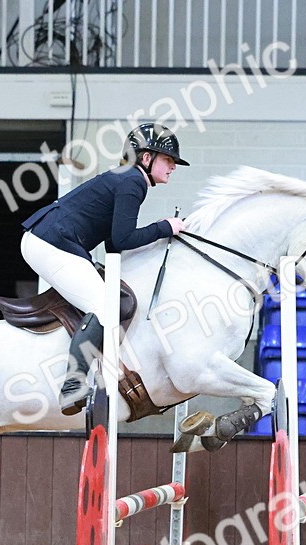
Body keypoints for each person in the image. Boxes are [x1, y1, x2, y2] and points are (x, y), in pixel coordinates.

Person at [21, 122, 189, 415]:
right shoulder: (132, 182)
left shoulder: (126, 179)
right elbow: (124, 238)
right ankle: (72, 384)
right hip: (50, 242)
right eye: (168, 159)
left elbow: (114, 243)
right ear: (146, 158)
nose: (173, 167)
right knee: (105, 307)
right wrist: (165, 227)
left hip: (49, 240)